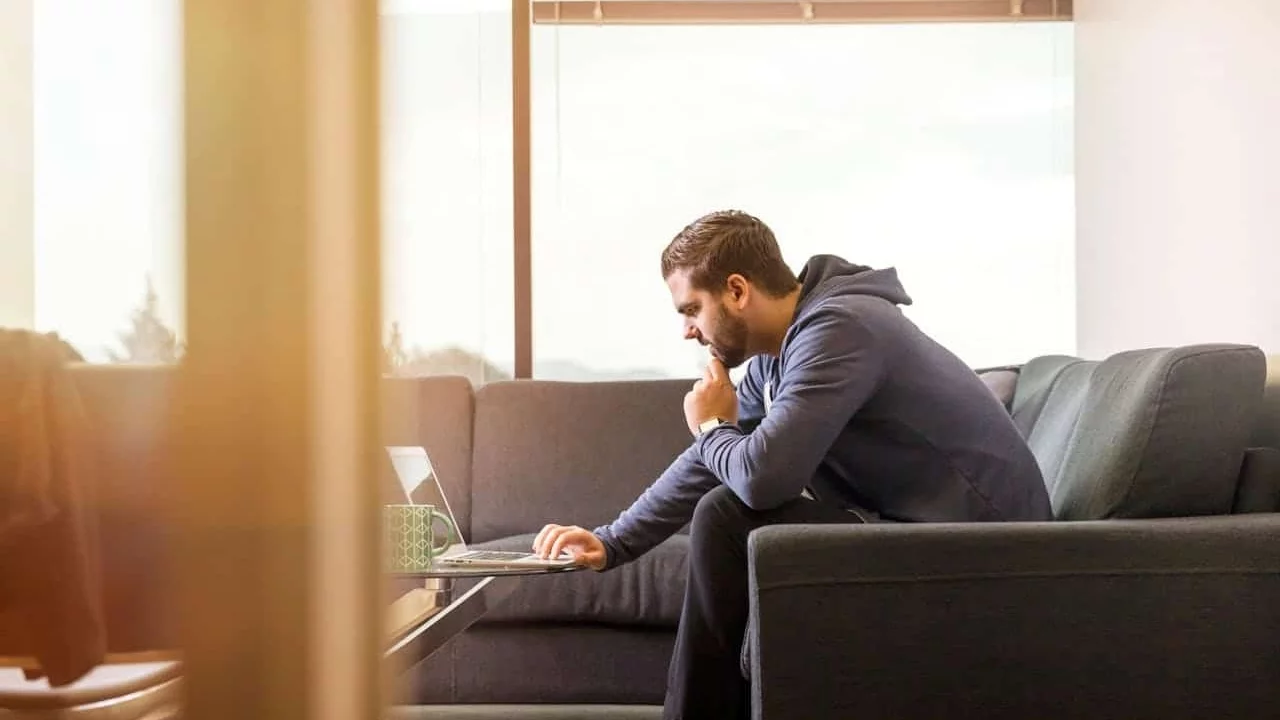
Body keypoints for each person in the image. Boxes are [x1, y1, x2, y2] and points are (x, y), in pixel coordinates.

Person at [532, 209, 1052, 720]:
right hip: (915, 530)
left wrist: (714, 427)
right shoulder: (777, 356)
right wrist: (613, 541)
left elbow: (762, 478)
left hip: (987, 548)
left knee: (729, 517)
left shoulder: (842, 330)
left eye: (692, 309)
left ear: (737, 290)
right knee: (723, 509)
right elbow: (709, 464)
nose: (688, 331)